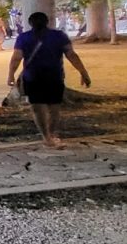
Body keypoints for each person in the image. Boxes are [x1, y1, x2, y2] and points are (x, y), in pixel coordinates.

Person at [7, 11, 92, 149]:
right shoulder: (59, 36)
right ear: (47, 22)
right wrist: (83, 72)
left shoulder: (24, 38)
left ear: (30, 23)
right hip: (54, 76)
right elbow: (71, 55)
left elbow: (16, 57)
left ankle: (45, 136)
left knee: (37, 108)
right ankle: (52, 134)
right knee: (54, 108)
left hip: (32, 77)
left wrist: (11, 74)